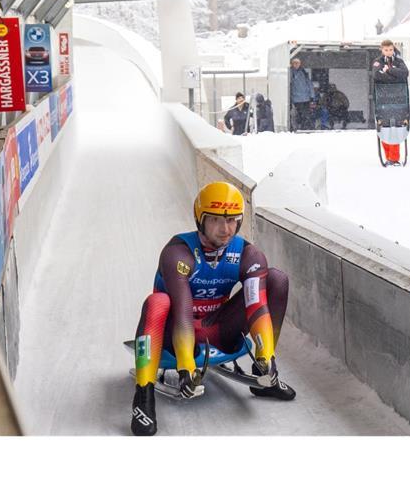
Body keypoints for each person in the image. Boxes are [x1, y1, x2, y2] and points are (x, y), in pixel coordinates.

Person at [130, 182, 293, 436]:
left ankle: (264, 377)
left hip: (217, 328)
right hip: (176, 333)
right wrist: (186, 366)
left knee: (276, 280)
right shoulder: (178, 252)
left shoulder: (248, 255)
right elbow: (182, 312)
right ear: (200, 219)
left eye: (231, 220)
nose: (225, 229)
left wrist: (266, 354)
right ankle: (143, 397)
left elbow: (256, 305)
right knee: (157, 302)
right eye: (216, 220)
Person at [373, 40, 409, 164]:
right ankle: (389, 157)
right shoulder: (378, 62)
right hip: (383, 100)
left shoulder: (399, 61)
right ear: (382, 50)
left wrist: (389, 70)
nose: (389, 52)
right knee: (384, 128)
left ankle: (393, 158)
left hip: (398, 99)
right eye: (386, 50)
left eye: (391, 50)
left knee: (397, 127)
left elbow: (405, 73)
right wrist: (395, 76)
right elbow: (377, 76)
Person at [289, 58, 313, 130]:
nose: (296, 64)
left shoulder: (303, 72)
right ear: (292, 64)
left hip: (306, 98)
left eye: (298, 63)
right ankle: (301, 127)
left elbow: (309, 84)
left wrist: (312, 96)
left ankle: (305, 127)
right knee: (300, 114)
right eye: (295, 63)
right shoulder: (290, 72)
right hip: (297, 99)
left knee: (306, 115)